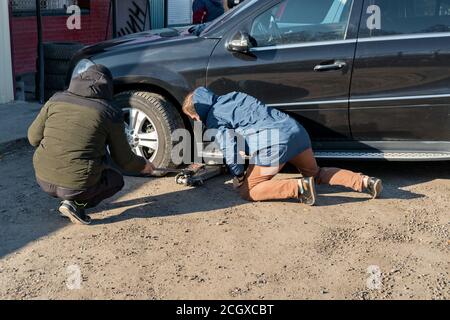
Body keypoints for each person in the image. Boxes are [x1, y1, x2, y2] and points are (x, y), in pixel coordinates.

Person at [182, 87, 383, 205]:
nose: (196, 121)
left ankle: (299, 188)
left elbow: (229, 147)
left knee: (248, 191)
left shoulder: (215, 117)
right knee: (316, 172)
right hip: (296, 132)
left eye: (193, 117)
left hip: (275, 144)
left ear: (197, 110)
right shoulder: (234, 96)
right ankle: (365, 181)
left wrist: (238, 176)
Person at [28, 65, 155, 225]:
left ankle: (70, 197)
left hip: (42, 177)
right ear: (108, 86)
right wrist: (144, 165)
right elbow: (124, 160)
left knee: (95, 160)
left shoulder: (55, 100)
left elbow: (33, 138)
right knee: (115, 179)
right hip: (75, 185)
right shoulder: (109, 112)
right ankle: (76, 204)